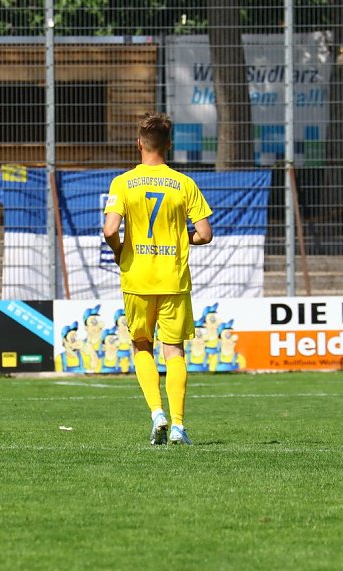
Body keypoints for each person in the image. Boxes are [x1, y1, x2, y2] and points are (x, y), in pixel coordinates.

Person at [102, 112, 213, 446]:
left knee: (141, 345)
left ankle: (156, 413)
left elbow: (109, 229)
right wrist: (182, 237)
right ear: (169, 145)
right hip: (173, 280)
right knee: (174, 351)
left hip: (136, 278)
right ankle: (178, 424)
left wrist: (120, 248)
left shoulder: (122, 183)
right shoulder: (184, 184)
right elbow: (205, 234)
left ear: (139, 144)